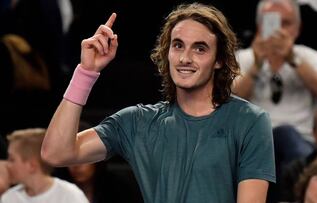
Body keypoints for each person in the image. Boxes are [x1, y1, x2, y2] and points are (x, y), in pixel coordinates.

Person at [41, 3, 276, 203]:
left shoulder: (250, 120)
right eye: (178, 45)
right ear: (167, 52)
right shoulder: (136, 122)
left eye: (200, 49)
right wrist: (86, 72)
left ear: (219, 60)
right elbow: (56, 153)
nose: (185, 58)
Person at [231, 0, 317, 182]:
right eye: (272, 22)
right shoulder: (243, 58)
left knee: (286, 134)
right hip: (252, 142)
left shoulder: (310, 57)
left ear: (298, 28)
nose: (279, 30)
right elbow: (229, 99)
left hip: (300, 141)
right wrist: (257, 65)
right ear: (259, 26)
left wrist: (292, 59)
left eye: (285, 23)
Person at [0, 128, 89, 203]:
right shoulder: (9, 198)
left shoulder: (70, 195)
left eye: (12, 159)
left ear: (32, 165)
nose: (7, 165)